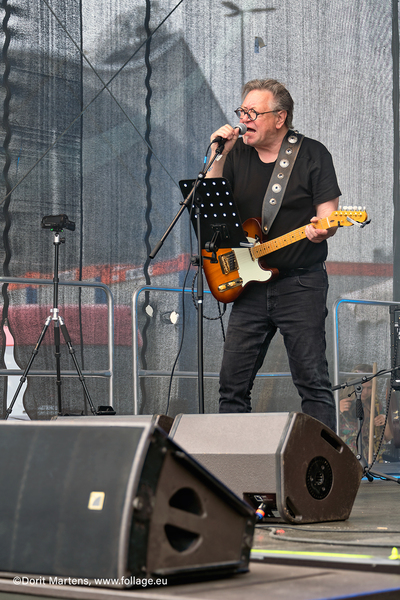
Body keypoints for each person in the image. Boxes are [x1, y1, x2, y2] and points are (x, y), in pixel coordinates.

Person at [206, 78, 341, 431]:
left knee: (312, 383)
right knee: (232, 386)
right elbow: (212, 206)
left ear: (280, 118)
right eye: (242, 111)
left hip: (301, 284)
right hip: (249, 285)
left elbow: (329, 217)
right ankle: (233, 461)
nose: (243, 119)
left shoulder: (313, 155)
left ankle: (321, 462)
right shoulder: (235, 153)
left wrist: (323, 229)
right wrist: (219, 155)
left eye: (252, 113)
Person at [339, 364, 392, 460]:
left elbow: (388, 437)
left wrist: (386, 422)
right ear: (353, 385)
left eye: (369, 388)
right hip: (344, 458)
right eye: (362, 387)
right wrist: (338, 412)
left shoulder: (376, 406)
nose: (365, 392)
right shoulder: (340, 401)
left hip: (370, 461)